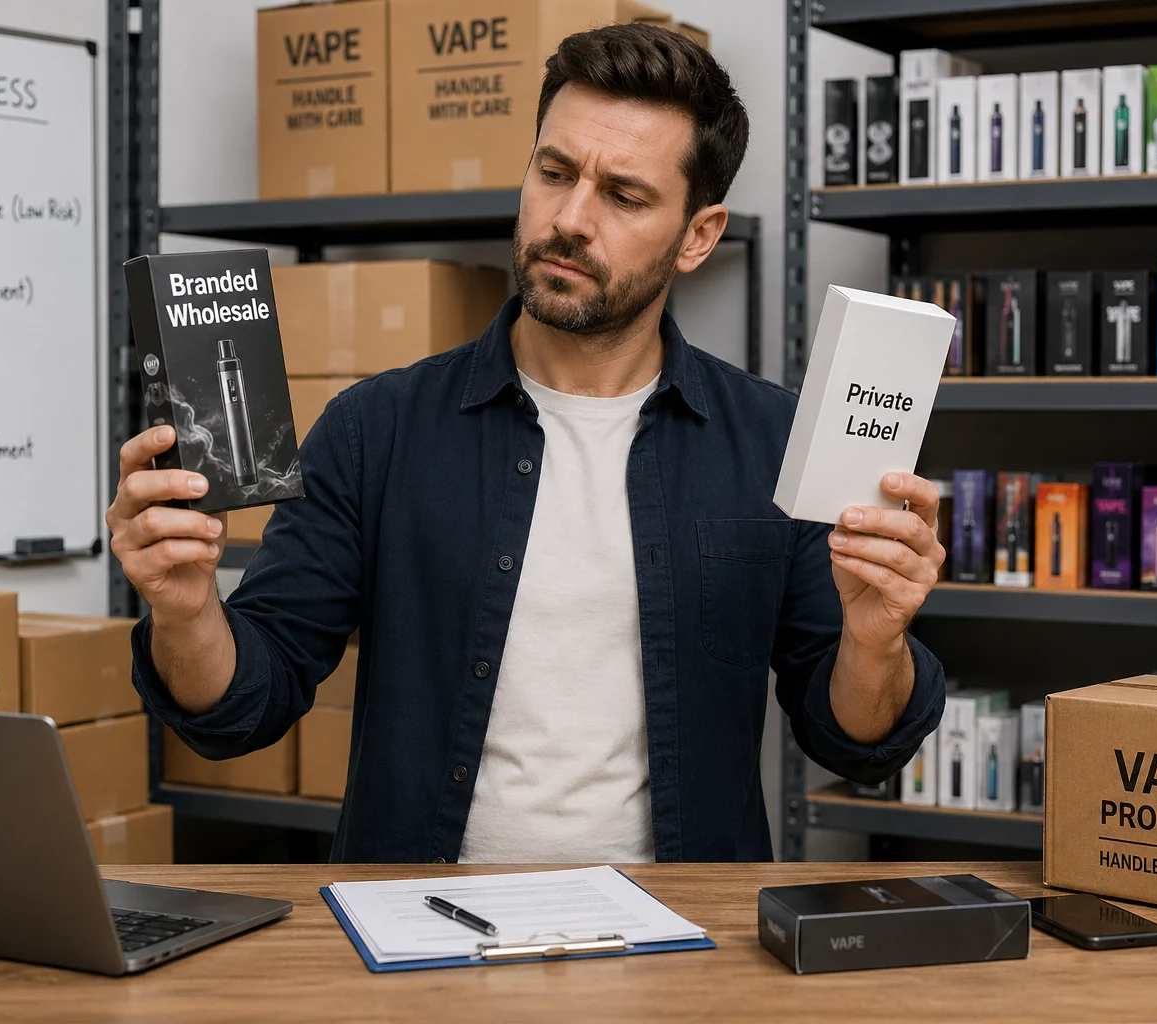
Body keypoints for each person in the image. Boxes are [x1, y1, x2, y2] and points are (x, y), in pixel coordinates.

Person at [108, 24, 946, 863]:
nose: (570, 220)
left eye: (623, 196)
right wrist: (185, 610)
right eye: (553, 173)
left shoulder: (773, 443)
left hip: (680, 956)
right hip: (422, 946)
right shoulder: (377, 429)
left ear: (699, 233)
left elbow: (853, 742)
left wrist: (875, 644)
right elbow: (243, 706)